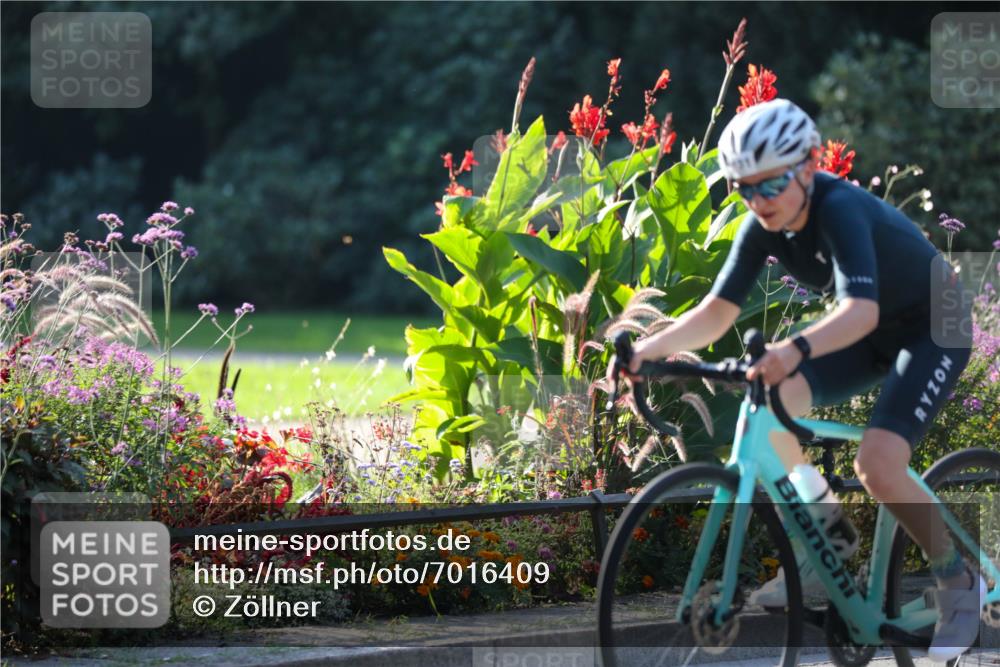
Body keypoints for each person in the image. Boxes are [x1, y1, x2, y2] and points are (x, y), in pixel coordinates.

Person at [607, 98, 982, 662]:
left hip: (935, 324)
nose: (758, 200)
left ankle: (958, 581)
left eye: (771, 184)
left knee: (878, 464)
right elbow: (716, 313)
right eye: (743, 188)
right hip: (872, 328)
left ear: (808, 166)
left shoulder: (840, 208)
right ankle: (828, 539)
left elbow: (860, 311)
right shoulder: (761, 226)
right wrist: (646, 351)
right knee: (773, 402)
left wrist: (795, 347)